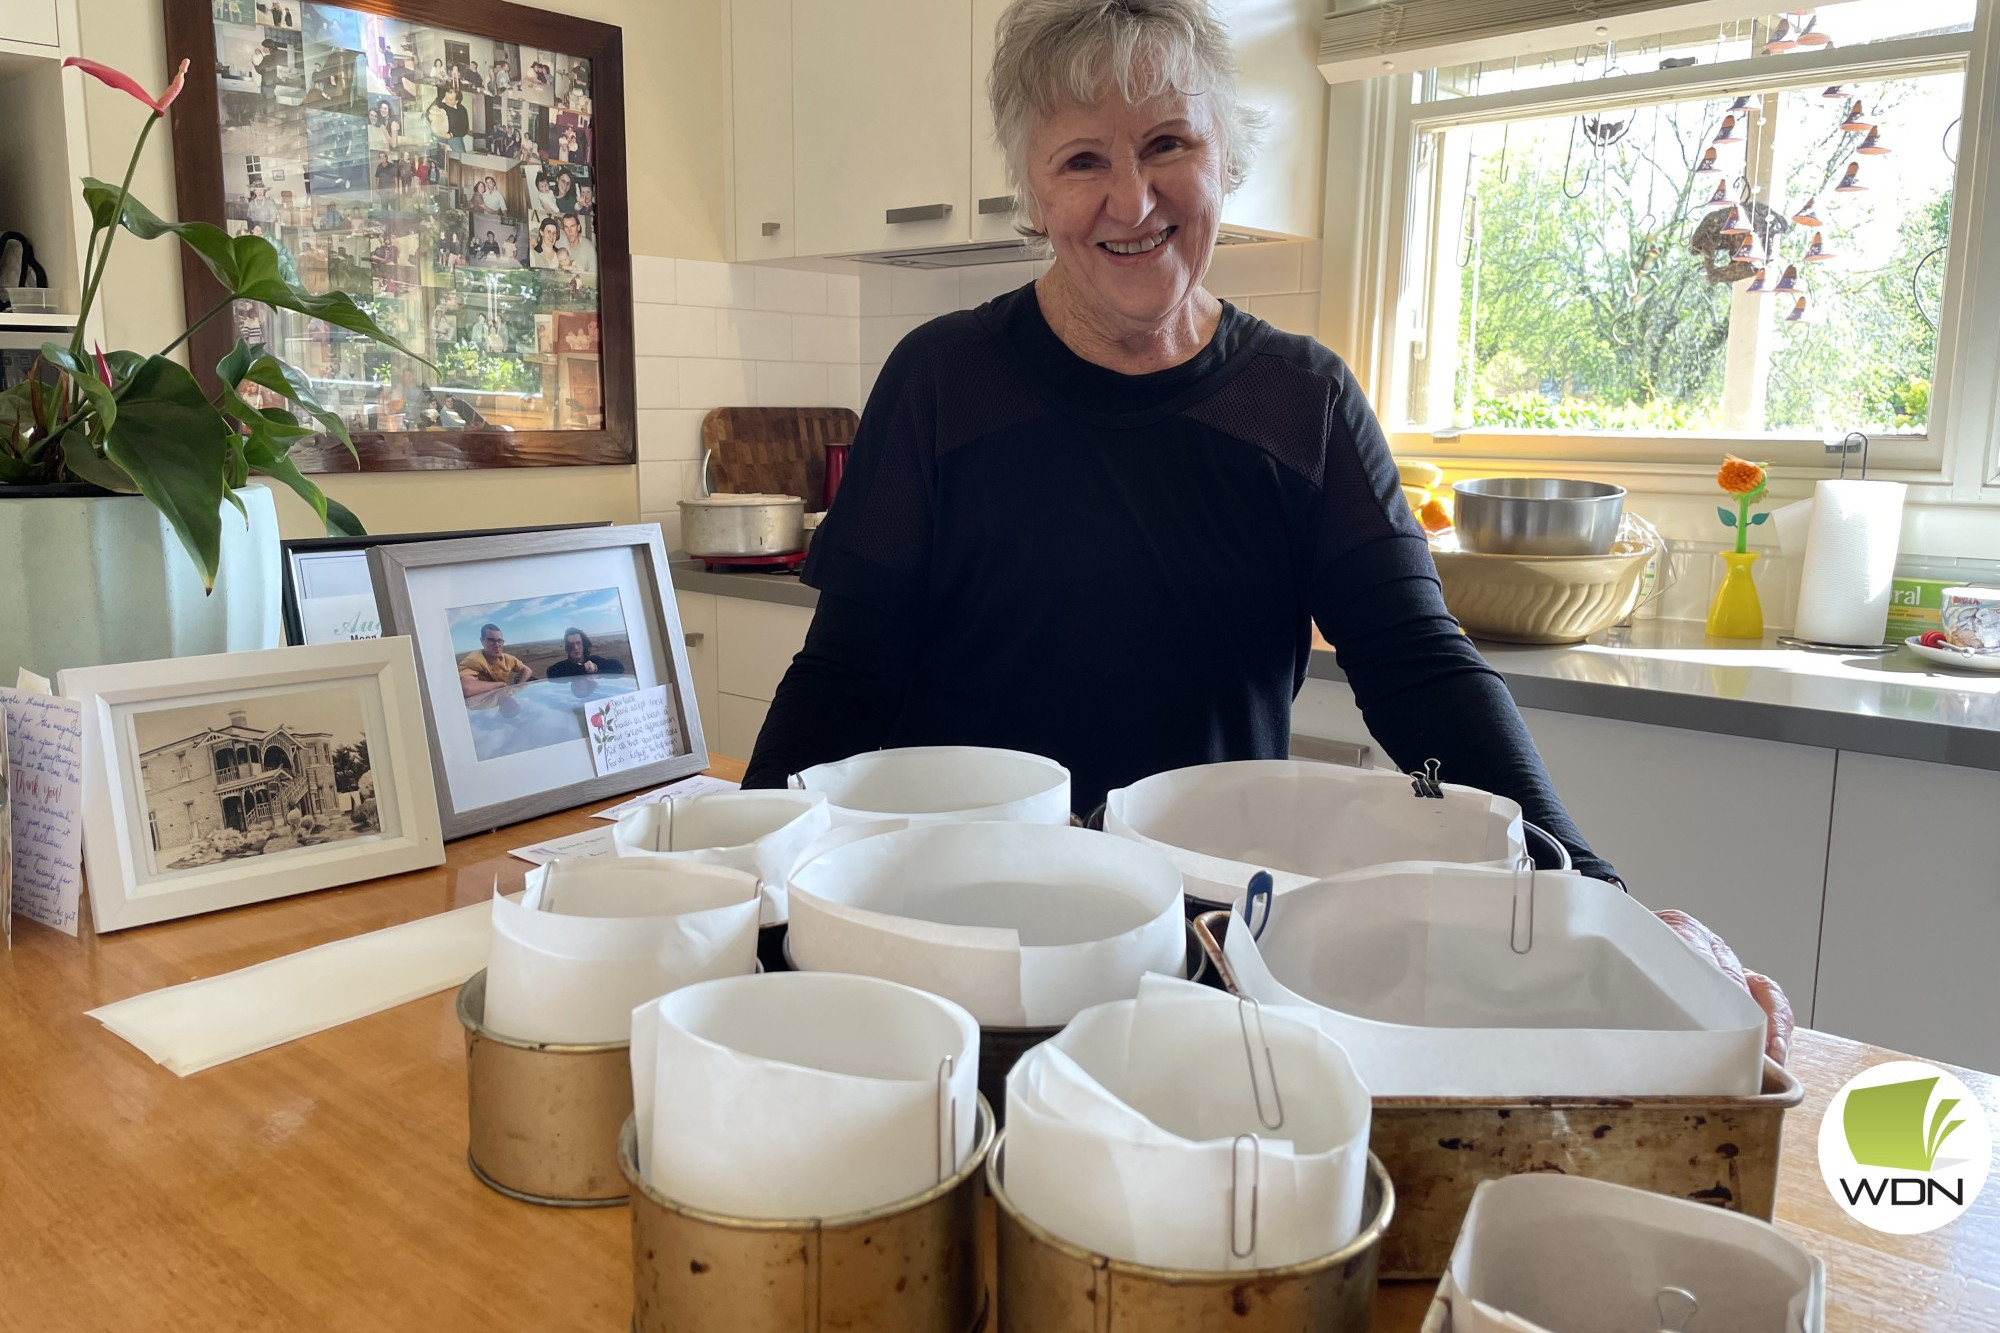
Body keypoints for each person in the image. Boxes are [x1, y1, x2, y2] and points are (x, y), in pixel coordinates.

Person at [740, 0, 1794, 1062]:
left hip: (1211, 950)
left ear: (1224, 157)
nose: (1131, 199)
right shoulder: (940, 381)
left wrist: (1590, 891)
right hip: (958, 949)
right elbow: (845, 676)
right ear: (1031, 188)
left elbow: (1414, 672)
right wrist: (735, 891)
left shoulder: (1304, 403)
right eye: (1080, 160)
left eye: (1167, 144)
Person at [459, 623, 531, 697]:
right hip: (481, 705)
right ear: (482, 641)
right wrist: (500, 685)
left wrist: (518, 687)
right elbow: (466, 688)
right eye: (491, 640)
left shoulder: (507, 659)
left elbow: (527, 670)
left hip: (502, 699)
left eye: (499, 640)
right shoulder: (473, 660)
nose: (497, 645)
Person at [546, 628, 625, 678]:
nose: (576, 648)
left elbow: (619, 667)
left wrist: (596, 669)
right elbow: (550, 673)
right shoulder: (562, 667)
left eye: (578, 643)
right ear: (567, 647)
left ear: (584, 644)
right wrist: (583, 669)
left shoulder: (595, 660)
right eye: (571, 644)